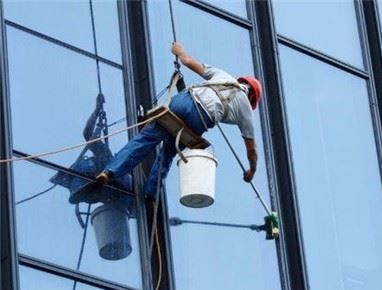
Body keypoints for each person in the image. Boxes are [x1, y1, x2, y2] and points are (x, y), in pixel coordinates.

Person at [86, 42, 262, 200]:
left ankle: (109, 172)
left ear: (241, 81)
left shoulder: (224, 75)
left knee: (144, 139)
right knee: (168, 153)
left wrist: (179, 50)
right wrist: (252, 170)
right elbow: (251, 148)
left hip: (183, 102)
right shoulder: (246, 108)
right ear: (252, 97)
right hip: (200, 120)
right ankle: (150, 194)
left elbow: (187, 61)